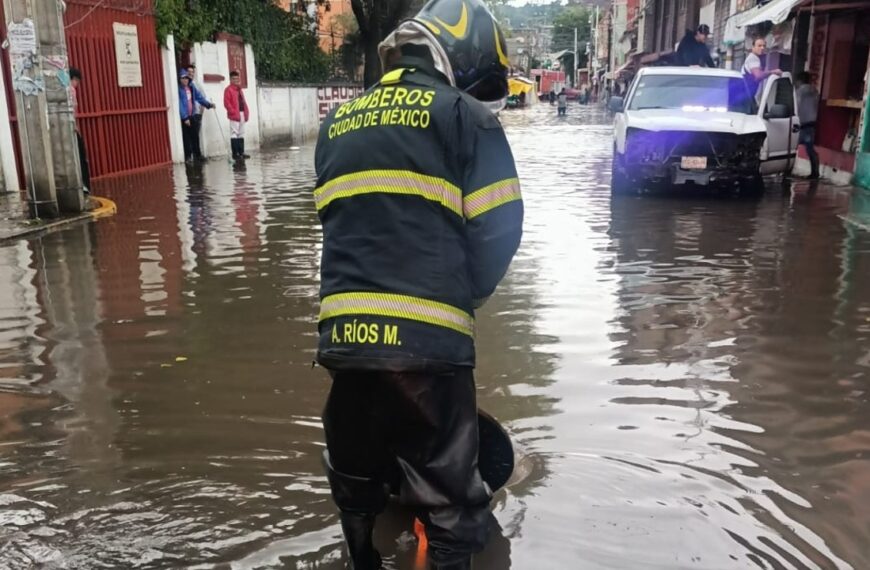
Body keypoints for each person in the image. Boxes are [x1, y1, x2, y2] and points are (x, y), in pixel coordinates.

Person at [313, 0, 523, 568]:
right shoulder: (467, 119)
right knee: (455, 510)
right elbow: (499, 232)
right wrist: (462, 299)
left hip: (346, 343)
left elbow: (341, 228)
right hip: (429, 351)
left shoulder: (338, 123)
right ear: (465, 54)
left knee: (356, 481)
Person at [179, 69, 213, 163]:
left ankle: (197, 156)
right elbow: (180, 104)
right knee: (186, 138)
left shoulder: (191, 87)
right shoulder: (179, 89)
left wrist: (208, 105)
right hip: (184, 118)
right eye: (183, 78)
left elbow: (199, 97)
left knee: (195, 137)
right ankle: (188, 157)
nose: (185, 80)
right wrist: (184, 117)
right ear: (180, 79)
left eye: (186, 78)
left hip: (192, 115)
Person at [68, 68, 90, 194]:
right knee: (80, 156)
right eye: (77, 81)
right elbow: (73, 110)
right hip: (71, 128)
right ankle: (84, 185)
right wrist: (76, 126)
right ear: (74, 79)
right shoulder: (71, 90)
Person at [795, 71, 820, 179]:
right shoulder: (814, 91)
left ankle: (787, 170)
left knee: (791, 147)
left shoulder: (799, 91)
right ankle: (815, 173)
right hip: (811, 124)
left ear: (800, 81)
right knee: (810, 149)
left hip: (800, 124)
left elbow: (796, 105)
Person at [742, 37, 782, 103]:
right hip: (747, 97)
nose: (762, 48)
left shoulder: (755, 58)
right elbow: (758, 75)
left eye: (764, 46)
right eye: (759, 46)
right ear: (753, 47)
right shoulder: (753, 58)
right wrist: (773, 72)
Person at [186, 64, 211, 161]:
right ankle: (191, 156)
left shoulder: (197, 85)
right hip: (188, 114)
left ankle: (197, 155)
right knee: (190, 136)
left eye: (192, 72)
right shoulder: (184, 85)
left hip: (197, 113)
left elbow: (203, 98)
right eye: (189, 72)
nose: (190, 74)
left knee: (196, 135)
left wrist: (201, 113)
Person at [223, 71, 251, 160]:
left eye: (237, 78)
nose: (236, 80)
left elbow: (243, 101)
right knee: (234, 133)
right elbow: (226, 103)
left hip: (242, 113)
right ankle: (235, 154)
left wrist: (246, 111)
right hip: (235, 114)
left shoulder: (239, 90)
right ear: (230, 79)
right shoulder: (228, 89)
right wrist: (232, 111)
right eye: (234, 79)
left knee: (241, 133)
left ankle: (241, 152)